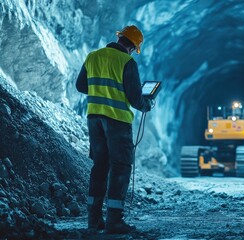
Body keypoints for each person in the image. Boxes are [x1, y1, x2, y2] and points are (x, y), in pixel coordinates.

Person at [76, 25, 151, 234]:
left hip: (94, 119)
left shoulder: (93, 56)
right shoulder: (127, 62)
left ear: (120, 39)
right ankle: (114, 221)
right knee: (121, 166)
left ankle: (94, 220)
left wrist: (101, 90)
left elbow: (81, 86)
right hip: (117, 121)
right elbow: (136, 99)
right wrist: (147, 104)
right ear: (133, 47)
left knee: (100, 166)